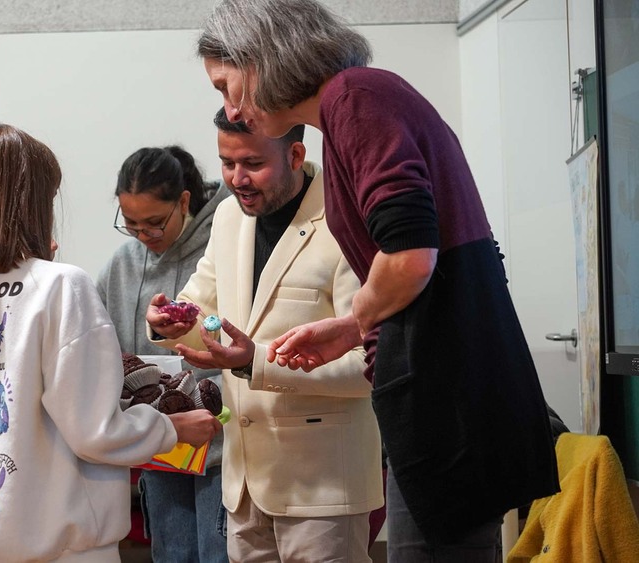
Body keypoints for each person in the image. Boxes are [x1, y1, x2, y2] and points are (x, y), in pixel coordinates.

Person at [196, 0, 560, 560]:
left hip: (447, 393)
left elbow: (410, 256)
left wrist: (353, 322)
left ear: (262, 59)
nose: (231, 109)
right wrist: (350, 327)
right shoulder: (352, 104)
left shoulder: (355, 98)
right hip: (440, 388)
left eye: (227, 86)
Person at [0, 123, 221, 561]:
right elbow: (95, 432)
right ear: (28, 201)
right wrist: (171, 428)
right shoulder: (60, 284)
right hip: (64, 546)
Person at [145, 110, 382, 562]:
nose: (237, 179)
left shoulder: (347, 219)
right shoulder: (228, 216)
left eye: (253, 164)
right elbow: (201, 312)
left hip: (323, 488)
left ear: (295, 155)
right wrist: (168, 321)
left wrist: (255, 361)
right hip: (243, 487)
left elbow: (370, 364)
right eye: (227, 163)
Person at [96, 145, 230, 562]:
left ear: (184, 202)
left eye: (155, 223)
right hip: (160, 446)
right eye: (132, 225)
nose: (144, 236)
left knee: (219, 553)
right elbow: (100, 348)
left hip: (220, 443)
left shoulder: (222, 247)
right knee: (172, 554)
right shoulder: (121, 265)